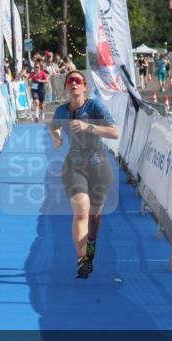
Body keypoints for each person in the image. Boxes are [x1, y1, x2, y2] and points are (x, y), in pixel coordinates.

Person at [49, 70, 120, 279]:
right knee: (81, 210)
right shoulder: (61, 111)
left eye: (78, 81)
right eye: (70, 81)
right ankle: (82, 260)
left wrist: (88, 127)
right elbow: (53, 127)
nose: (74, 84)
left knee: (94, 217)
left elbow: (115, 132)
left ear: (84, 86)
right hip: (74, 165)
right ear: (65, 86)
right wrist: (57, 138)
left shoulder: (94, 107)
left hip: (98, 165)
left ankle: (90, 248)